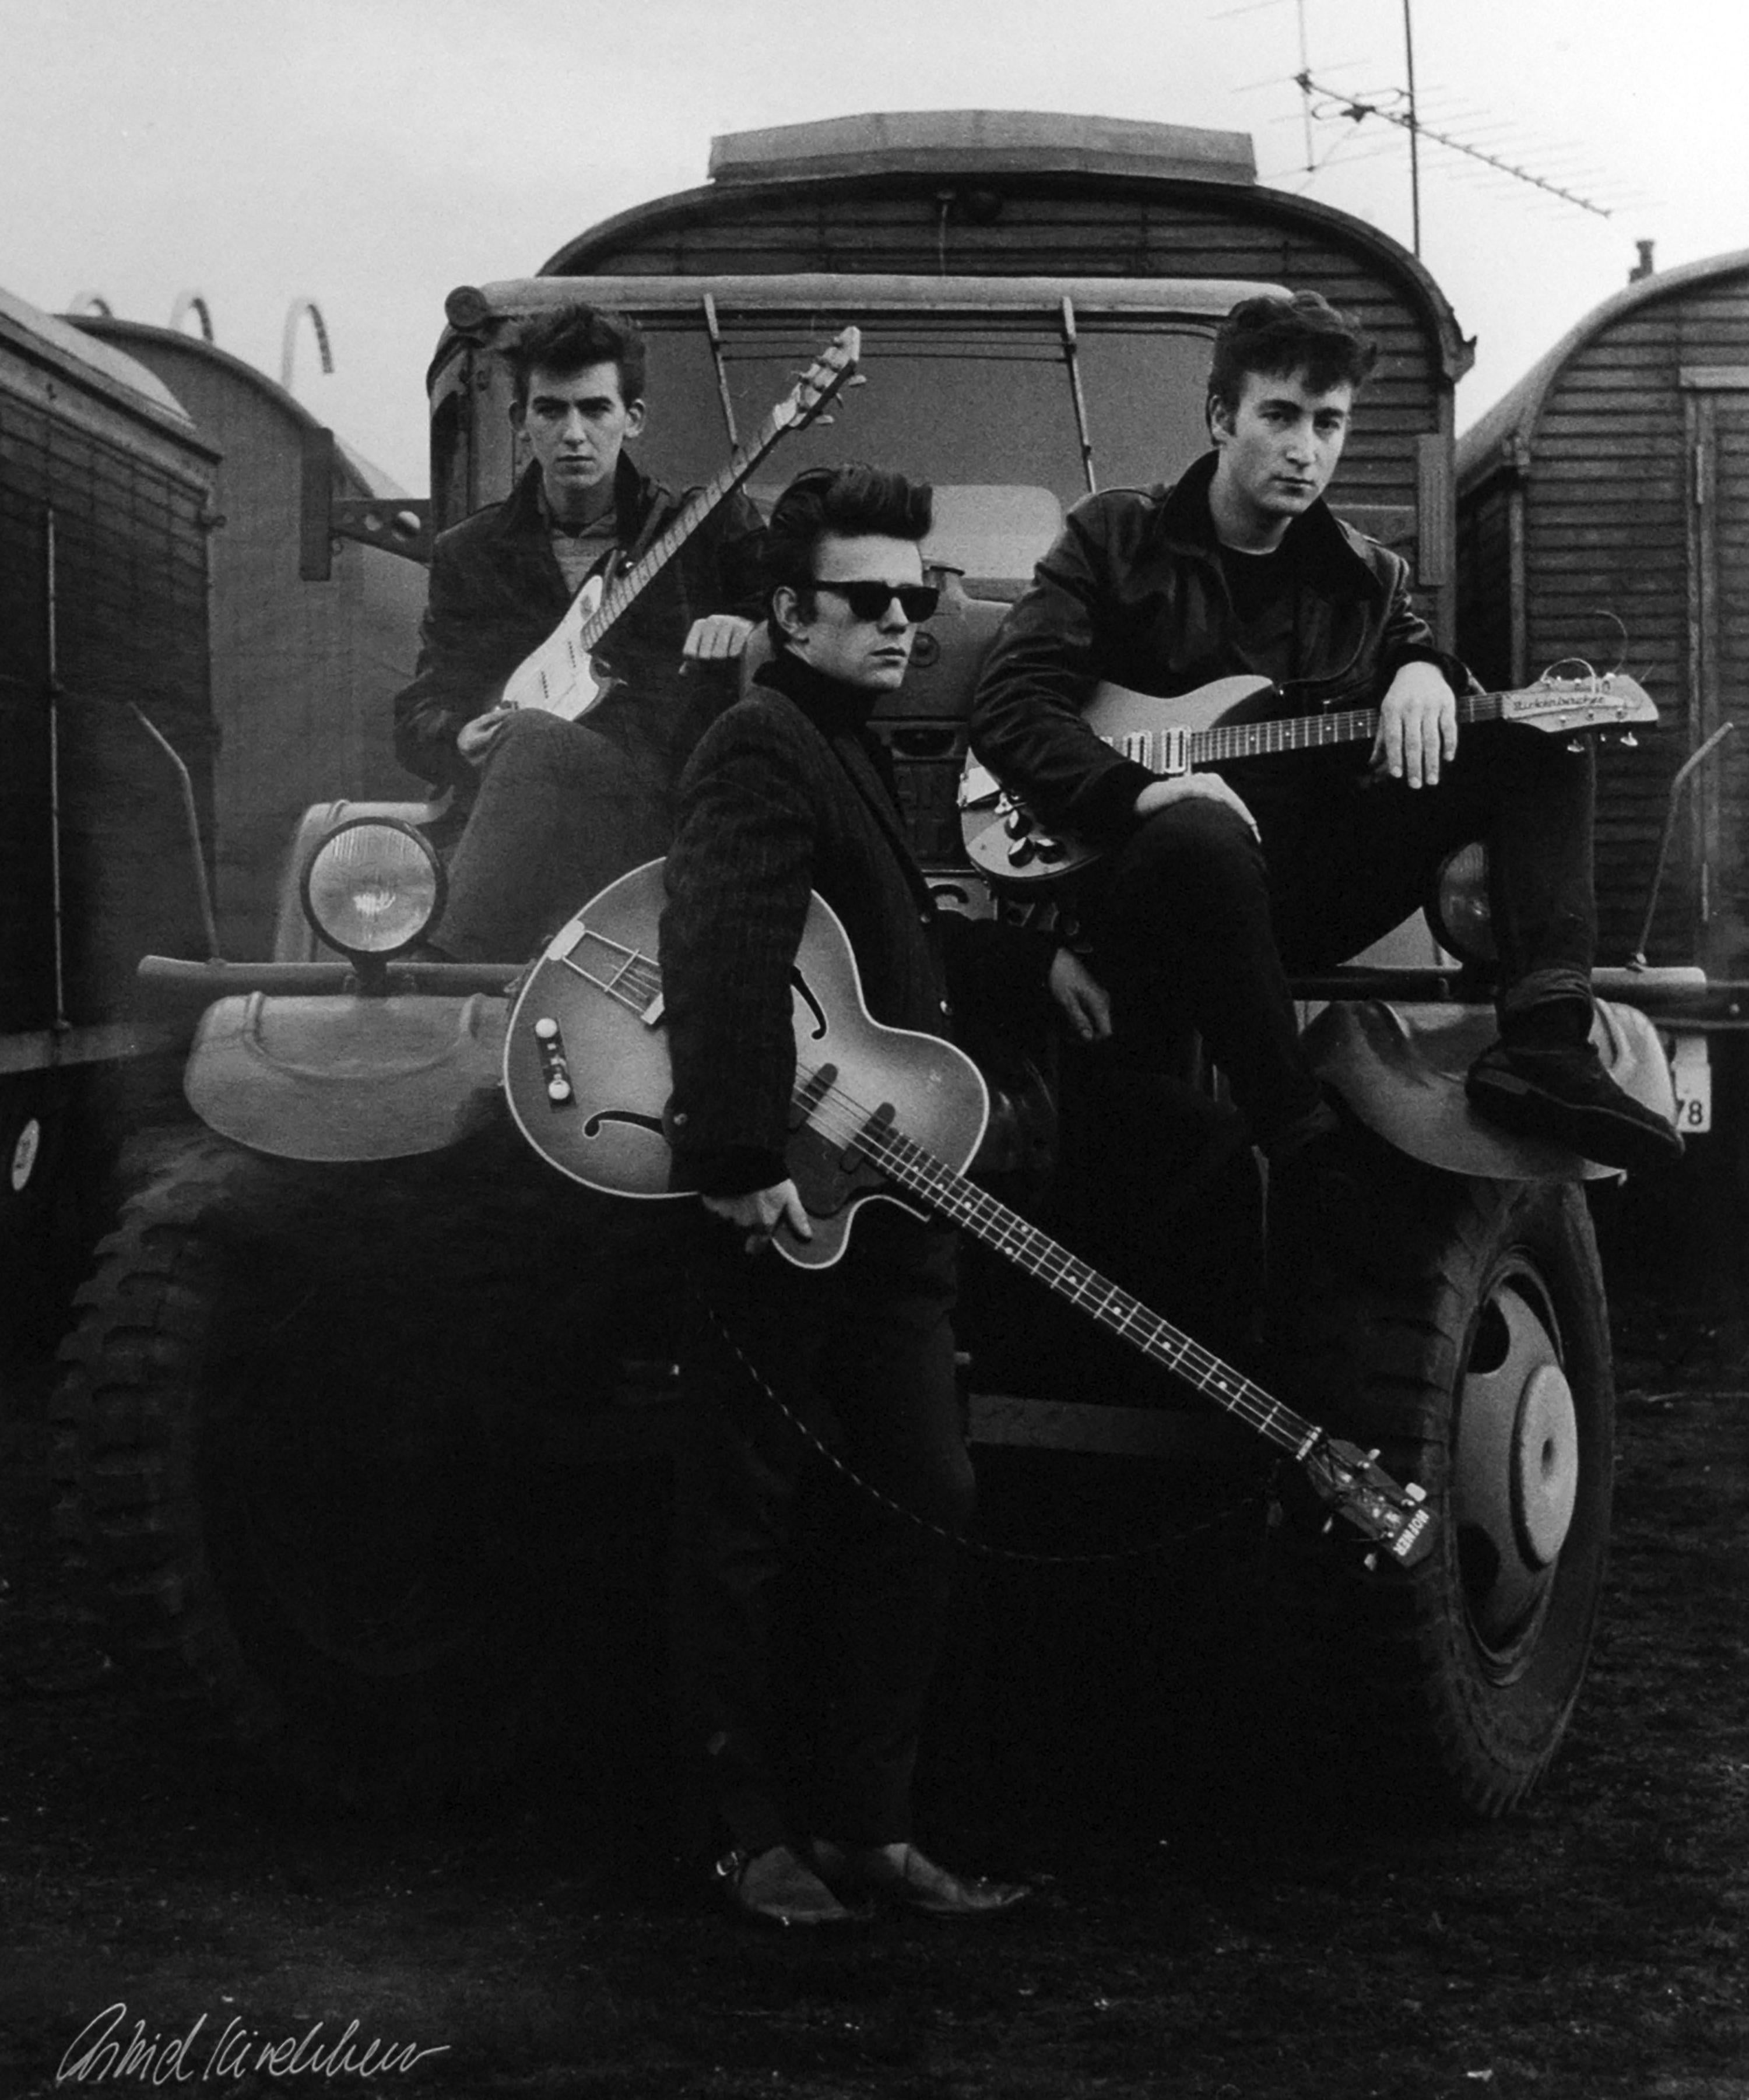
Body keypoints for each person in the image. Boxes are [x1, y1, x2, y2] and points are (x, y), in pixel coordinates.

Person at [659, 465, 1105, 1928]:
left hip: (881, 1191)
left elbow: (867, 955)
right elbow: (721, 940)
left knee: (925, 1486)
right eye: (868, 598)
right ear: (786, 611)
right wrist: (732, 1167)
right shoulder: (762, 740)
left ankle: (865, 1823)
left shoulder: (847, 741)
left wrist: (1012, 966)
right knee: (747, 1511)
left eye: (922, 595)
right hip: (788, 1193)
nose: (905, 619)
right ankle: (741, 1833)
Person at [968, 289, 1682, 1181]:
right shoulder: (1116, 537)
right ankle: (1296, 1127)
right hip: (1147, 890)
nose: (1307, 449)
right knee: (1201, 828)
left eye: (1330, 423)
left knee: (1537, 737)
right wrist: (1139, 789)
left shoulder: (1370, 578)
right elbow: (1011, 700)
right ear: (1221, 418)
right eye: (1281, 415)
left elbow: (1413, 647)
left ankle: (1543, 1048)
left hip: (1302, 886)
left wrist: (1432, 673)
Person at [392, 301, 764, 961]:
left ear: (633, 419)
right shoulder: (467, 554)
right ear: (520, 422)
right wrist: (457, 734)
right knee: (525, 739)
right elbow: (418, 713)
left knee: (534, 735)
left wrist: (747, 630)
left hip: (660, 822)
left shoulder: (711, 529)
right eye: (551, 410)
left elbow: (795, 619)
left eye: (595, 409)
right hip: (513, 825)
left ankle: (440, 970)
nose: (573, 433)